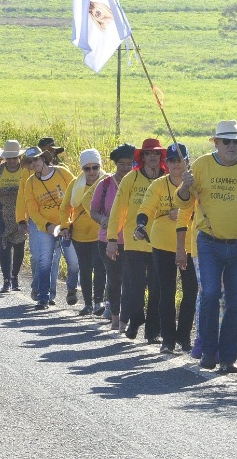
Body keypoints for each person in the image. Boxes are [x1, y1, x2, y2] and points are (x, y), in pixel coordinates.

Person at [176, 120, 237, 373]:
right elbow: (184, 203)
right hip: (209, 243)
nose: (232, 146)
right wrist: (185, 187)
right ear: (217, 143)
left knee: (236, 301)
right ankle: (208, 352)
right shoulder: (200, 165)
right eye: (227, 141)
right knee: (210, 294)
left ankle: (228, 357)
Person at [136, 142, 198, 354]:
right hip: (162, 243)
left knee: (191, 291)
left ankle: (184, 336)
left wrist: (180, 212)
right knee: (166, 291)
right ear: (167, 163)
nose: (175, 164)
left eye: (179, 160)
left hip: (190, 245)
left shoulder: (195, 184)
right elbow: (146, 207)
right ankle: (168, 339)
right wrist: (141, 223)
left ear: (187, 161)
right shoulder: (159, 185)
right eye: (171, 161)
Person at [107, 138, 165, 342]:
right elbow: (118, 210)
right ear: (142, 157)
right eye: (149, 154)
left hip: (160, 242)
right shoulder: (131, 178)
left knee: (157, 289)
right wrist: (112, 238)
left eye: (156, 154)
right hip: (134, 241)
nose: (152, 157)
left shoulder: (167, 179)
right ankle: (136, 319)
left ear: (161, 157)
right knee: (135, 287)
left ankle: (152, 332)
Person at [21, 146, 77, 310]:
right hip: (46, 227)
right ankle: (43, 298)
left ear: (43, 158)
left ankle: (72, 288)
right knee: (44, 261)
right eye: (30, 162)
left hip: (67, 224)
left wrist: (67, 223)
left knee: (74, 263)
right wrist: (48, 226)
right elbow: (32, 210)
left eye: (36, 159)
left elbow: (77, 194)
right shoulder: (30, 183)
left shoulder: (62, 173)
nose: (34, 163)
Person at [91, 144, 135, 330]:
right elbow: (93, 211)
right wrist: (103, 220)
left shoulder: (137, 182)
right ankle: (116, 316)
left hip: (133, 240)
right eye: (122, 164)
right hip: (108, 240)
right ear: (116, 164)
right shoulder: (106, 184)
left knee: (130, 280)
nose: (125, 168)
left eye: (129, 164)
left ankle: (125, 316)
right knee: (114, 279)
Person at [60, 149, 106, 316]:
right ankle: (87, 304)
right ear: (82, 169)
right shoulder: (75, 184)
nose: (92, 172)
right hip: (80, 234)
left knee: (100, 268)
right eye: (87, 168)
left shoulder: (107, 182)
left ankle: (98, 301)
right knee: (85, 269)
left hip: (101, 233)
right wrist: (65, 226)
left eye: (95, 167)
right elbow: (65, 207)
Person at [0, 140, 27, 292]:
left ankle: (15, 276)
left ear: (19, 158)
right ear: (4, 158)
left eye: (15, 158)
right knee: (4, 243)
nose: (12, 161)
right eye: (9, 158)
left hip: (21, 210)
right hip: (1, 211)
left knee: (20, 244)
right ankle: (6, 279)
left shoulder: (26, 170)